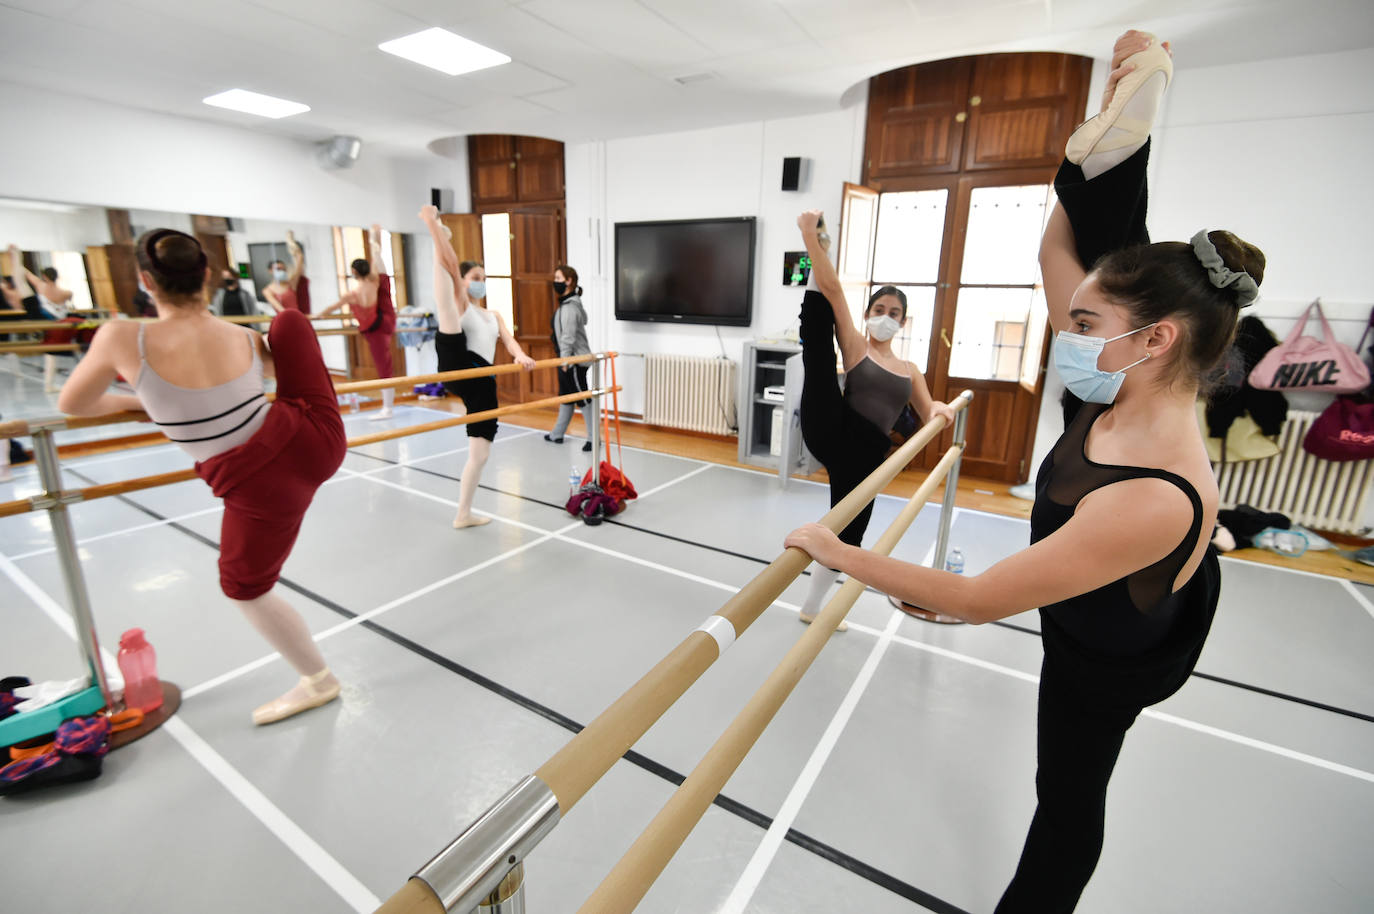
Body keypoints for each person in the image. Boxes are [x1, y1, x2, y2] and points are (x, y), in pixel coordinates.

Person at [785, 31, 1261, 913]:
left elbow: (974, 600)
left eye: (1083, 325)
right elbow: (1057, 259)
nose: (1064, 335)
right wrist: (1100, 160)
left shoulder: (1159, 494)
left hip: (1109, 658)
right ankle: (1125, 143)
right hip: (1089, 599)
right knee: (1085, 244)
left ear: (1154, 340)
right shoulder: (1113, 394)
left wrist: (830, 545)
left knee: (1068, 798)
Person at [59, 228, 346, 727]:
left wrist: (145, 403)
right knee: (290, 324)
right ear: (208, 276)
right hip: (316, 438)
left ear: (146, 281)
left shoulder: (124, 336)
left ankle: (318, 681)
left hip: (264, 483)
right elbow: (276, 376)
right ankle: (316, 680)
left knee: (244, 586)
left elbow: (74, 404)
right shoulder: (244, 337)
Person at [793, 210, 955, 630]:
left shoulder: (910, 369)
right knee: (817, 349)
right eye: (879, 308)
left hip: (866, 455)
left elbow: (929, 408)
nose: (886, 315)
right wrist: (812, 242)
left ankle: (812, 607)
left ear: (903, 321)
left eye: (894, 312)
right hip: (834, 427)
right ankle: (816, 243)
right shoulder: (855, 345)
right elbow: (833, 290)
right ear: (868, 314)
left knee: (850, 534)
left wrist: (942, 409)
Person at [419, 205, 535, 528]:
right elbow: (451, 270)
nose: (480, 282)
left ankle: (463, 514)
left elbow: (509, 342)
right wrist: (437, 231)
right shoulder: (462, 303)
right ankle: (434, 229)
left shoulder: (493, 315)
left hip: (482, 382)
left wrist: (520, 356)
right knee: (446, 295)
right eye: (475, 278)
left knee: (480, 456)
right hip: (459, 363)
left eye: (483, 278)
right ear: (467, 281)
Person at [318, 225, 396, 420]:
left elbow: (332, 308)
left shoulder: (353, 294)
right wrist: (374, 239)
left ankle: (387, 408)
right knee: (385, 365)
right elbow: (377, 259)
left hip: (376, 327)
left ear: (353, 271)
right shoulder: (375, 282)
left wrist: (317, 316)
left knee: (384, 367)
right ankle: (387, 406)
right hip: (385, 320)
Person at [544, 264, 593, 452]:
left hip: (573, 361)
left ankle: (593, 438)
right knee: (566, 397)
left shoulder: (571, 307)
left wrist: (565, 361)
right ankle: (557, 433)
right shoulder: (570, 303)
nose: (555, 282)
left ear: (568, 281)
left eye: (558, 279)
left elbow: (568, 337)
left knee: (584, 399)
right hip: (567, 360)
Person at [262, 231, 310, 315]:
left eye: (283, 269)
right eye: (278, 269)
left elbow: (300, 259)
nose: (281, 271)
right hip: (285, 318)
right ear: (270, 271)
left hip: (297, 317)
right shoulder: (267, 290)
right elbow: (279, 308)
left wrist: (291, 243)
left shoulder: (291, 283)